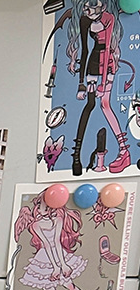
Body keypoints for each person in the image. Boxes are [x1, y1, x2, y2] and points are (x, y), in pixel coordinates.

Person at [66, 0, 130, 176]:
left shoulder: (109, 18)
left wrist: (103, 83)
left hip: (107, 64)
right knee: (90, 104)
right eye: (86, 7)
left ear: (103, 6)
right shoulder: (84, 20)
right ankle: (76, 155)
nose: (88, 10)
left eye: (93, 5)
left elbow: (108, 47)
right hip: (93, 64)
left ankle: (124, 150)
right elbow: (85, 50)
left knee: (105, 104)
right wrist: (81, 83)